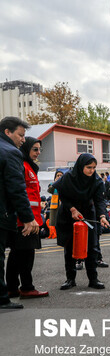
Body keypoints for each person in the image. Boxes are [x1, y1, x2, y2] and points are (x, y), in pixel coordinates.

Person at [52, 154, 110, 290]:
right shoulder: (68, 177)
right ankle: (70, 279)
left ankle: (93, 279)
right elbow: (62, 195)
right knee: (70, 247)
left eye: (94, 168)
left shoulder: (96, 180)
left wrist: (102, 216)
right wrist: (72, 209)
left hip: (88, 214)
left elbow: (99, 200)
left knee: (92, 247)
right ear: (80, 166)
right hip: (68, 214)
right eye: (88, 167)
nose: (91, 170)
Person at [0, 117, 39, 309]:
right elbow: (16, 189)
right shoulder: (10, 153)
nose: (23, 140)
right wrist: (28, 218)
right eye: (20, 135)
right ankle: (2, 298)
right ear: (7, 132)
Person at [6, 136, 49, 298]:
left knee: (17, 254)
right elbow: (19, 193)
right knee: (25, 255)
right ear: (26, 149)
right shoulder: (22, 166)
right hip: (24, 220)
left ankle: (12, 287)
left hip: (30, 218)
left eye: (39, 149)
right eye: (35, 149)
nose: (38, 152)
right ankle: (26, 287)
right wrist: (27, 218)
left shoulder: (29, 167)